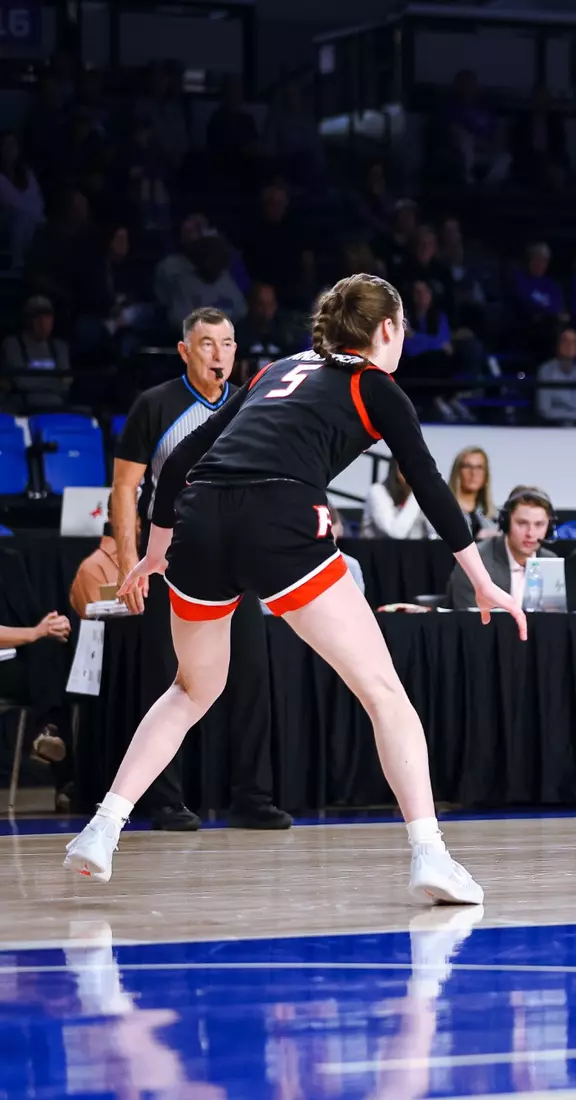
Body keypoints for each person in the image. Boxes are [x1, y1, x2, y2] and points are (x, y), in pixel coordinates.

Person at [65, 273, 526, 905]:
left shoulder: (276, 369)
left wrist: (155, 552)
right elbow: (428, 483)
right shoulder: (375, 386)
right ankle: (430, 854)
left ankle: (101, 828)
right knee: (384, 691)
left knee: (191, 687)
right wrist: (483, 579)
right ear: (387, 330)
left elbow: (178, 462)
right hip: (279, 517)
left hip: (201, 520)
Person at [110, 307, 288, 832]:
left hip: (241, 560)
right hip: (171, 560)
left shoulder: (251, 404)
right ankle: (163, 800)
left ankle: (252, 797)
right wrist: (130, 563)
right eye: (207, 344)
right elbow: (126, 489)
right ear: (185, 351)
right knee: (174, 681)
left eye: (228, 344)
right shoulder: (155, 405)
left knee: (252, 676)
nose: (219, 355)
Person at [447, 486, 554, 609]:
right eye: (522, 523)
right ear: (506, 523)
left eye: (539, 524)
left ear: (549, 527)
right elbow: (469, 622)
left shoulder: (551, 564)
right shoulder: (475, 563)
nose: (531, 533)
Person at [364, 460, 434, 540]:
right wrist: (417, 492)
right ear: (395, 468)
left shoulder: (419, 496)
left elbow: (433, 534)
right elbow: (396, 533)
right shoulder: (377, 491)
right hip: (378, 550)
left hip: (413, 551)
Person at [447, 447, 498, 540]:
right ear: (458, 471)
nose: (473, 473)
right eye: (467, 466)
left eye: (479, 467)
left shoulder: (495, 516)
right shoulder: (440, 511)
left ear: (486, 474)